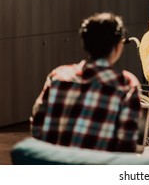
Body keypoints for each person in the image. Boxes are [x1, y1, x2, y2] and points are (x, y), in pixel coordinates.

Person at [31, 12, 141, 152]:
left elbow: (36, 126)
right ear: (118, 46)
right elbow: (127, 144)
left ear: (85, 43)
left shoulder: (59, 75)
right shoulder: (126, 84)